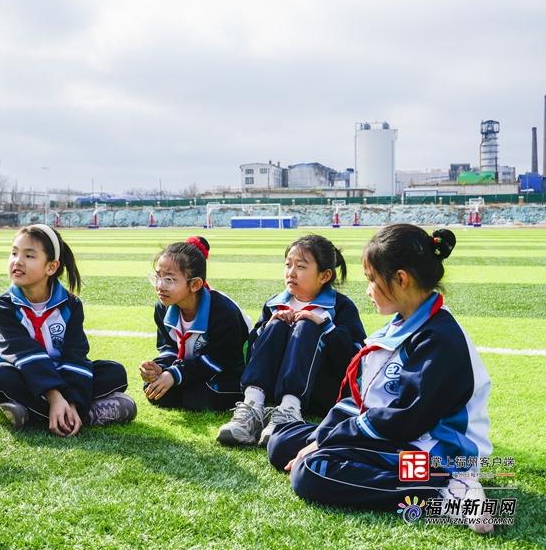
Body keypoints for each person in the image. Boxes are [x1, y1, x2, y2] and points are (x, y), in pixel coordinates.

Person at [267, 225, 493, 534]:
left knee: (310, 471)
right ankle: (334, 453)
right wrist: (324, 434)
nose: (367, 289)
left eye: (372, 279)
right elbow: (363, 399)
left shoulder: (440, 339)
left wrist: (325, 441)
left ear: (401, 279)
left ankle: (445, 491)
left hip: (436, 455)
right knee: (282, 441)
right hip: (395, 440)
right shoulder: (399, 327)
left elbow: (404, 418)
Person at [0, 224, 136, 434]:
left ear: (51, 267)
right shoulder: (3, 307)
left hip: (62, 375)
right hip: (22, 374)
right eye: (14, 253)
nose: (17, 261)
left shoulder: (71, 305)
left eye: (29, 256)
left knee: (115, 372)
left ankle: (31, 412)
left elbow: (75, 354)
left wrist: (71, 400)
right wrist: (54, 397)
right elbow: (26, 354)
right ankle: (87, 414)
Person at [218, 234, 365, 447]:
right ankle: (251, 409)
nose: (291, 273)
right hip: (273, 391)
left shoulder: (341, 307)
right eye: (288, 265)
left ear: (324, 276)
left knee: (307, 324)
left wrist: (325, 326)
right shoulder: (274, 304)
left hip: (320, 391)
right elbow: (251, 354)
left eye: (301, 266)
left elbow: (356, 360)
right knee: (276, 324)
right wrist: (268, 326)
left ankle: (289, 412)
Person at [139, 236, 249, 411]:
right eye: (158, 276)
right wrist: (160, 368)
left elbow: (222, 359)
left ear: (195, 284)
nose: (160, 285)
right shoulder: (163, 307)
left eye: (170, 279)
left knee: (196, 398)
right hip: (194, 368)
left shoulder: (223, 311)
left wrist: (175, 374)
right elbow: (168, 346)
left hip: (230, 370)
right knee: (155, 391)